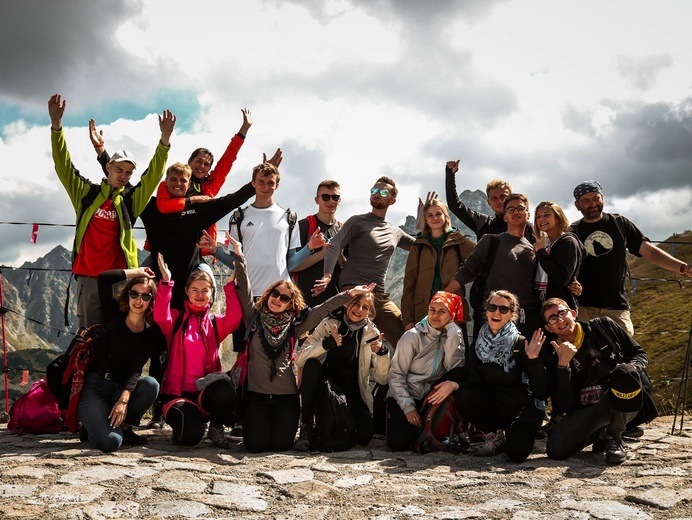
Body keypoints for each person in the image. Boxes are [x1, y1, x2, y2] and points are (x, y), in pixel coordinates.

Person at [225, 233, 376, 453]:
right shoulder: (254, 318)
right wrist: (239, 255)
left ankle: (297, 425)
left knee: (281, 445)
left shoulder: (295, 325)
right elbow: (245, 289)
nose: (277, 299)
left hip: (286, 398)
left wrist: (350, 294)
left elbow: (323, 308)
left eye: (285, 298)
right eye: (274, 294)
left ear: (291, 304)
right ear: (268, 295)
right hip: (256, 396)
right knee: (255, 446)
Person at [48, 94, 175, 327]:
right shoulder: (85, 193)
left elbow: (153, 176)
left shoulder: (130, 200)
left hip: (121, 281)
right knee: (88, 335)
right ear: (108, 167)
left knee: (120, 334)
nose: (123, 176)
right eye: (119, 169)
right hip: (89, 278)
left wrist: (164, 140)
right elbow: (63, 165)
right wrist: (56, 126)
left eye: (128, 173)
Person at [90, 109, 254, 257]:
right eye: (198, 161)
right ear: (189, 162)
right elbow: (127, 186)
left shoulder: (210, 186)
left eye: (206, 164)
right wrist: (194, 200)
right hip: (163, 250)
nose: (202, 166)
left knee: (207, 283)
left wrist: (243, 131)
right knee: (141, 281)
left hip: (196, 252)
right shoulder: (169, 185)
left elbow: (228, 159)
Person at [541, 298, 656, 464]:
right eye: (552, 318)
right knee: (556, 449)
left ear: (573, 314)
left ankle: (614, 437)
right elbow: (564, 405)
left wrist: (628, 373)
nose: (560, 320)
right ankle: (602, 431)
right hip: (590, 408)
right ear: (548, 327)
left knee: (625, 372)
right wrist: (563, 366)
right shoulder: (553, 358)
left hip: (624, 398)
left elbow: (639, 354)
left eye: (562, 313)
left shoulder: (604, 327)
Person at [571, 180, 691, 335]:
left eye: (596, 198)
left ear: (602, 198)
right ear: (577, 205)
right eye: (586, 201)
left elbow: (650, 252)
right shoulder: (573, 231)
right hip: (583, 308)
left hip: (617, 307)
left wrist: (684, 268)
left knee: (627, 355)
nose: (592, 204)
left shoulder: (620, 223)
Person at [442, 291, 548, 462]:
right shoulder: (478, 345)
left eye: (503, 309)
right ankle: (493, 435)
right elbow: (472, 380)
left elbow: (540, 390)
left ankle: (520, 432)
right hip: (494, 406)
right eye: (493, 307)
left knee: (516, 453)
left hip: (520, 407)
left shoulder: (522, 343)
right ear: (487, 311)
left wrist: (534, 360)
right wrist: (454, 384)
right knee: (463, 396)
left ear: (512, 315)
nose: (497, 312)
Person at [153, 253, 243, 448]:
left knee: (226, 390)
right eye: (195, 290)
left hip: (204, 394)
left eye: (205, 290)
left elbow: (235, 318)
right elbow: (160, 316)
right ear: (186, 291)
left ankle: (216, 427)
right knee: (191, 437)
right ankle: (186, 424)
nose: (200, 295)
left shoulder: (214, 323)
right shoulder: (176, 319)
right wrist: (166, 283)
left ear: (212, 293)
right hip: (177, 396)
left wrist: (230, 286)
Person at [314, 177, 415, 348]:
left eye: (383, 192)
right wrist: (327, 275)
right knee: (347, 341)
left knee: (408, 337)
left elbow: (422, 246)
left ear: (392, 200)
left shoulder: (395, 231)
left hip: (379, 295)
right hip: (354, 291)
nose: (377, 194)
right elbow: (335, 244)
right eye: (374, 191)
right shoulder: (357, 221)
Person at [77, 267, 165, 452]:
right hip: (95, 388)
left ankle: (125, 426)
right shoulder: (113, 315)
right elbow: (103, 278)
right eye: (134, 294)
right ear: (128, 294)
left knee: (150, 385)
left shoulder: (152, 333)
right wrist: (139, 271)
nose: (139, 300)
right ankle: (93, 425)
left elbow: (136, 368)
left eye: (145, 296)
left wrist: (123, 400)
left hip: (119, 389)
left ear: (151, 301)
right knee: (112, 442)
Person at [294, 291, 390, 450]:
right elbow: (300, 358)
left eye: (365, 307)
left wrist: (382, 353)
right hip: (325, 386)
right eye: (356, 304)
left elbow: (382, 378)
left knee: (364, 436)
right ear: (347, 303)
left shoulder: (371, 333)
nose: (359, 309)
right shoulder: (328, 324)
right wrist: (325, 344)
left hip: (353, 390)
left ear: (369, 312)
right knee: (311, 364)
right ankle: (306, 426)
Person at [445, 194, 541, 340]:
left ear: (527, 214)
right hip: (495, 316)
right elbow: (467, 270)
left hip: (525, 319)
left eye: (520, 208)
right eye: (510, 209)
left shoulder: (534, 250)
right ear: (505, 217)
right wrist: (443, 296)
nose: (516, 212)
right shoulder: (491, 241)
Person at [386, 292, 465, 452]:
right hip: (407, 394)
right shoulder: (412, 337)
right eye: (432, 310)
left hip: (432, 397)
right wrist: (408, 408)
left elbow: (454, 368)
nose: (435, 315)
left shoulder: (451, 335)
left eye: (442, 311)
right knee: (398, 443)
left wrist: (452, 330)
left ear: (451, 315)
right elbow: (396, 375)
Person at [402, 198, 475, 345]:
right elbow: (409, 283)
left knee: (456, 358)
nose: (435, 218)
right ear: (425, 220)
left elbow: (479, 261)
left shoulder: (458, 240)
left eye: (438, 214)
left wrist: (460, 280)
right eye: (430, 215)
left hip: (452, 309)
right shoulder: (419, 245)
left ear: (445, 216)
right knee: (426, 362)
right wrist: (407, 320)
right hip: (424, 311)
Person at [291, 180, 344, 307]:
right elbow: (292, 266)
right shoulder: (304, 226)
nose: (331, 201)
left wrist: (338, 254)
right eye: (326, 197)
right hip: (305, 301)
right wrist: (324, 254)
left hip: (334, 302)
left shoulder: (343, 229)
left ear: (339, 201)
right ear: (317, 200)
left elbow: (346, 267)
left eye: (335, 197)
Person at [533, 201, 585, 310]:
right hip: (544, 307)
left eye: (546, 215)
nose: (541, 219)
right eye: (538, 216)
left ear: (558, 218)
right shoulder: (548, 246)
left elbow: (562, 278)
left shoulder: (568, 242)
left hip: (561, 310)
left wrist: (541, 253)